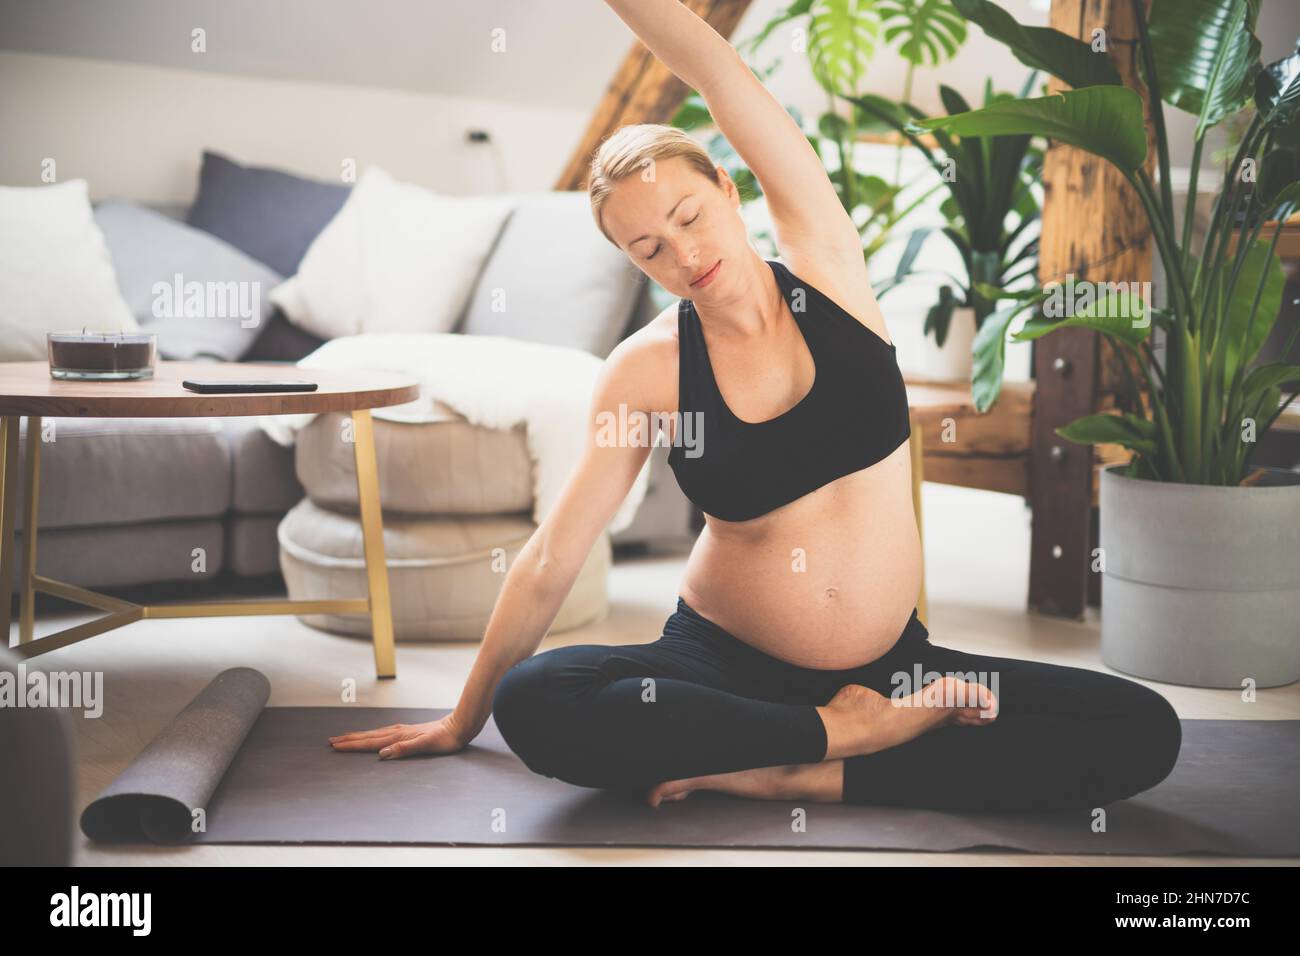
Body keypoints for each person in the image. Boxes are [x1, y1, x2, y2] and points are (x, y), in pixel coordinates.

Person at [329, 0, 1182, 812]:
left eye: (690, 216)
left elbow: (714, 65)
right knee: (540, 698)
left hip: (895, 670)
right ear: (635, 263)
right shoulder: (647, 370)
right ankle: (829, 737)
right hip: (715, 669)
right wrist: (463, 718)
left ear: (733, 193)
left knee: (1142, 731)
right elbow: (555, 556)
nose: (684, 253)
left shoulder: (828, 268)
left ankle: (798, 771)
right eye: (650, 248)